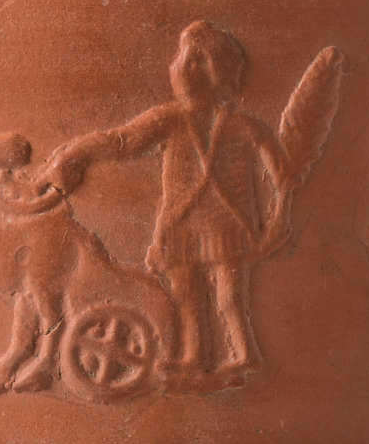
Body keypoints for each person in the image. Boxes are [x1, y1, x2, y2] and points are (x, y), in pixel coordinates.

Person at [44, 21, 291, 382]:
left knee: (226, 296)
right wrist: (76, 152)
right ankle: (194, 358)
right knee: (187, 293)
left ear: (203, 69)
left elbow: (281, 172)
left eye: (183, 58)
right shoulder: (172, 119)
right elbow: (122, 142)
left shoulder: (236, 125)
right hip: (181, 223)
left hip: (224, 222)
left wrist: (279, 216)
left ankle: (244, 355)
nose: (173, 66)